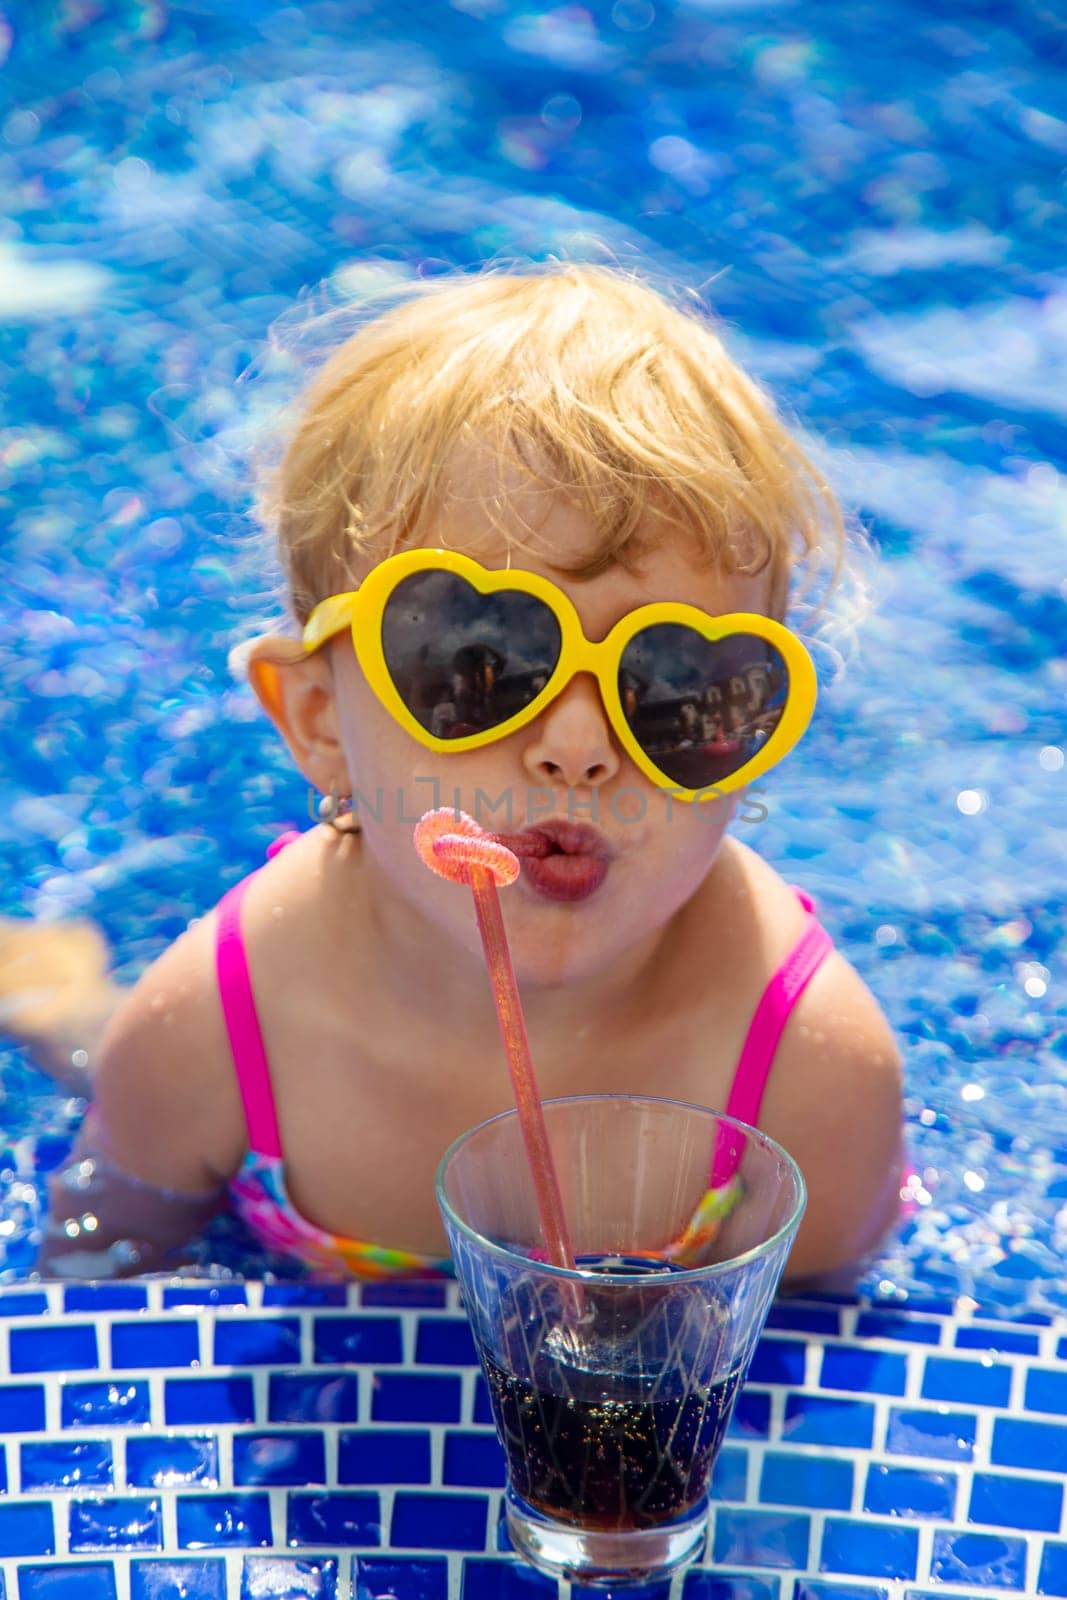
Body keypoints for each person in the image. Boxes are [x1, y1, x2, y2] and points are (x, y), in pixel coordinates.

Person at [2, 263, 903, 1281]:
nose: (579, 744)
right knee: (92, 1048)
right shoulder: (220, 1023)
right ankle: (58, 991)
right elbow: (91, 1294)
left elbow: (820, 1383)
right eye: (485, 662)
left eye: (676, 688)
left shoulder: (804, 1072)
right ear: (316, 719)